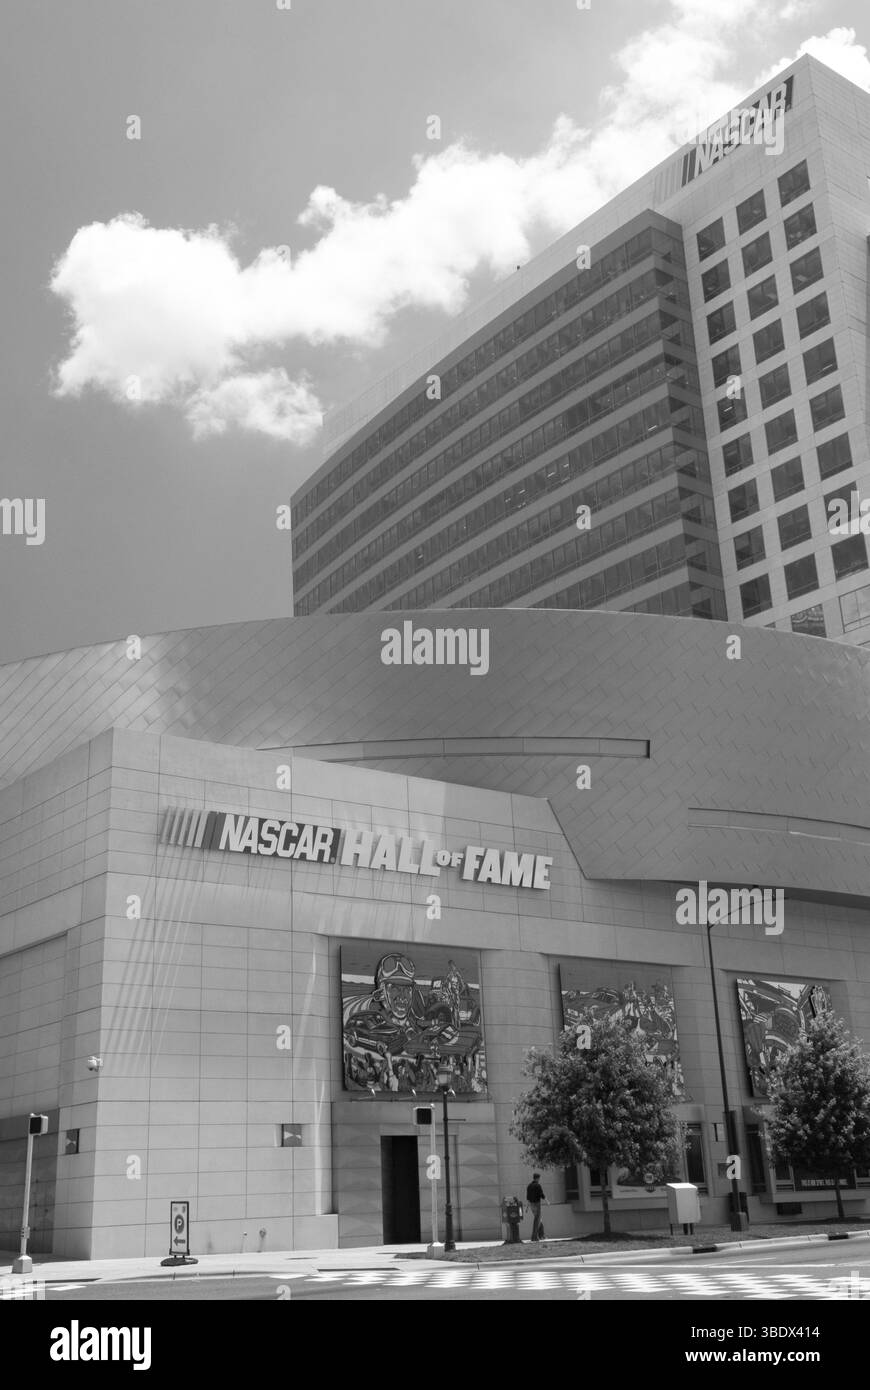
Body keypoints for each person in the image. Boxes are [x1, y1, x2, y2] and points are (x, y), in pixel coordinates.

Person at [526, 1173, 548, 1241]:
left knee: (539, 1219)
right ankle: (534, 1237)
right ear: (537, 1178)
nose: (539, 1179)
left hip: (531, 1205)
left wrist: (527, 1207)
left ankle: (542, 1235)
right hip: (537, 1204)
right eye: (539, 1178)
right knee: (537, 1220)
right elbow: (541, 1194)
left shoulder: (529, 1186)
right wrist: (547, 1201)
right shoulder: (538, 1185)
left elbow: (528, 1197)